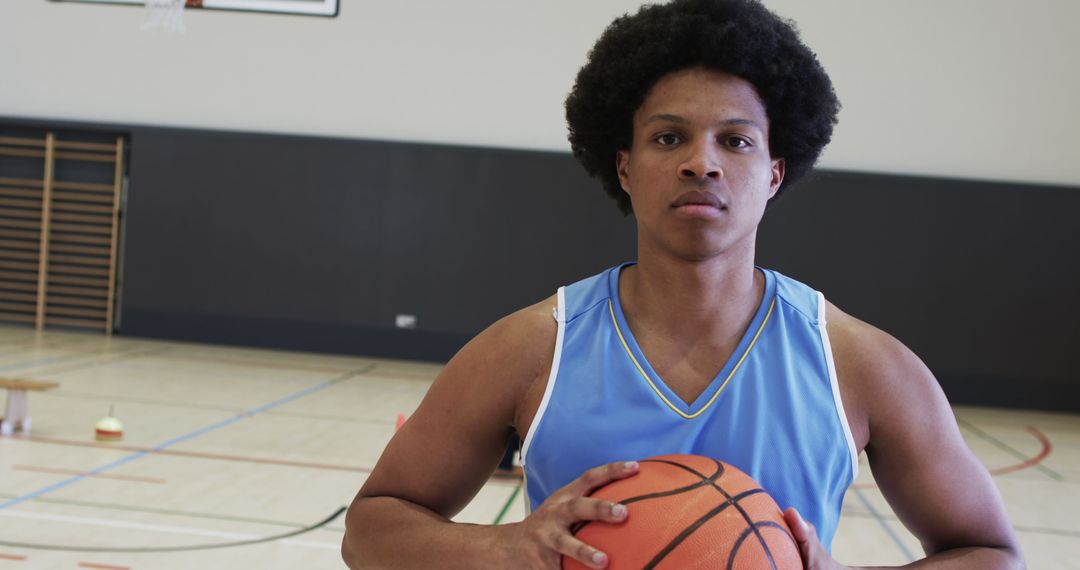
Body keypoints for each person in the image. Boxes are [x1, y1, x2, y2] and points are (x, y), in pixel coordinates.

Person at [341, 0, 1024, 568]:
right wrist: (503, 548)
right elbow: (370, 528)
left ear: (775, 173)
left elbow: (991, 553)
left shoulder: (861, 364)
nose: (703, 163)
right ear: (626, 166)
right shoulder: (531, 348)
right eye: (669, 139)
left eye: (736, 140)